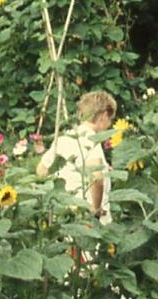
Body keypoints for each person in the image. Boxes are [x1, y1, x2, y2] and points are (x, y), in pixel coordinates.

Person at [36, 91, 116, 223]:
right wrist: (96, 209)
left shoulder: (64, 138)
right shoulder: (92, 140)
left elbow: (41, 170)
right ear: (104, 115)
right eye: (110, 119)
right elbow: (97, 178)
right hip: (88, 219)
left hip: (66, 214)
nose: (110, 124)